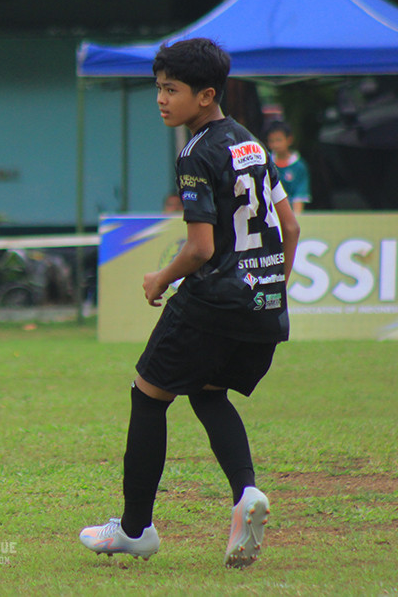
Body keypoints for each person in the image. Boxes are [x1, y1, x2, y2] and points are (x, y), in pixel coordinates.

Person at [79, 38, 300, 569]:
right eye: (158, 87)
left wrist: (159, 278)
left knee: (148, 396)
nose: (161, 98)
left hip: (212, 303)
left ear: (205, 96)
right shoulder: (250, 142)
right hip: (262, 305)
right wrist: (268, 292)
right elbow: (290, 227)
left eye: (170, 89)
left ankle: (135, 530)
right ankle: (246, 494)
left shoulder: (196, 152)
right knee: (207, 392)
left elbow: (200, 247)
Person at [263, 120, 311, 214]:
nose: (276, 145)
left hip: (290, 214)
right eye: (272, 141)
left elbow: (299, 196)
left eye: (279, 140)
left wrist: (296, 218)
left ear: (289, 140)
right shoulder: (265, 163)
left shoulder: (299, 166)